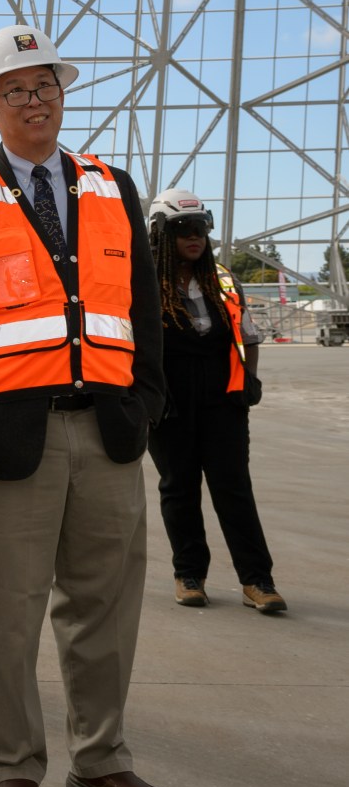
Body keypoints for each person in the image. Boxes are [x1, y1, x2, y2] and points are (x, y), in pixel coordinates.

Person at [0, 24, 175, 787]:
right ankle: (12, 764)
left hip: (106, 430)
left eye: (47, 86)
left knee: (105, 603)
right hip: (7, 438)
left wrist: (145, 402)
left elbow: (140, 306)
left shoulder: (110, 184)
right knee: (8, 609)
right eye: (17, 89)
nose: (35, 100)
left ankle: (100, 757)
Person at [146, 189, 286, 614]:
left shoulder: (223, 280)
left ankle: (257, 580)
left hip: (223, 403)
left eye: (201, 228)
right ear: (160, 234)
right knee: (179, 488)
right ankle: (189, 575)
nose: (195, 236)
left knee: (234, 489)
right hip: (170, 406)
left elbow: (248, 336)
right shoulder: (144, 284)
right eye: (183, 229)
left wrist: (250, 382)